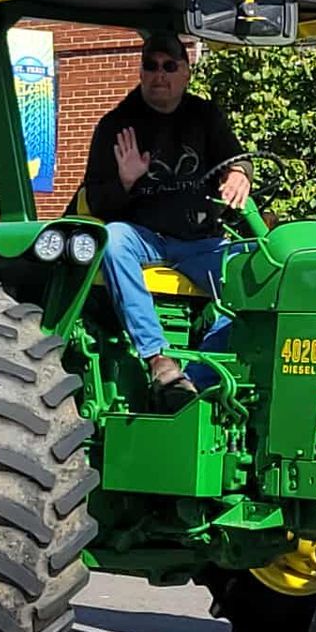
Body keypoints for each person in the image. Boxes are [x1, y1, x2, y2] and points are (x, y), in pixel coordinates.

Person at [84, 31, 252, 399]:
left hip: (200, 241)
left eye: (169, 66)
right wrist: (125, 181)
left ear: (185, 72)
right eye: (151, 66)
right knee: (113, 239)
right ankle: (158, 358)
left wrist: (240, 173)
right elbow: (98, 202)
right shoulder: (116, 125)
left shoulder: (205, 115)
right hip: (144, 237)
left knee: (256, 279)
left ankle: (197, 379)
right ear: (142, 72)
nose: (160, 74)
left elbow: (236, 159)